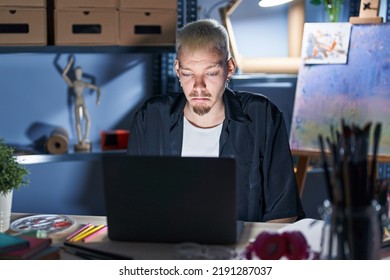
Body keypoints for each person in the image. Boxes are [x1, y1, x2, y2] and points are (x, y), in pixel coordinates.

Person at [127, 18, 305, 223]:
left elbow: (284, 213)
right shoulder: (150, 117)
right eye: (187, 74)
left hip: (239, 251)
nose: (198, 86)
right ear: (177, 69)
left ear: (229, 68)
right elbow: (133, 205)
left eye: (211, 73)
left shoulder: (262, 115)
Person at [62, 56, 101, 151]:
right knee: (78, 122)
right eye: (76, 73)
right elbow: (64, 75)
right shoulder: (73, 83)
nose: (77, 74)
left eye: (79, 73)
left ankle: (86, 137)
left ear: (81, 74)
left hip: (82, 103)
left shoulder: (83, 83)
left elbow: (97, 88)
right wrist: (69, 64)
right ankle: (80, 140)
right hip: (76, 103)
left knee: (88, 120)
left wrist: (98, 99)